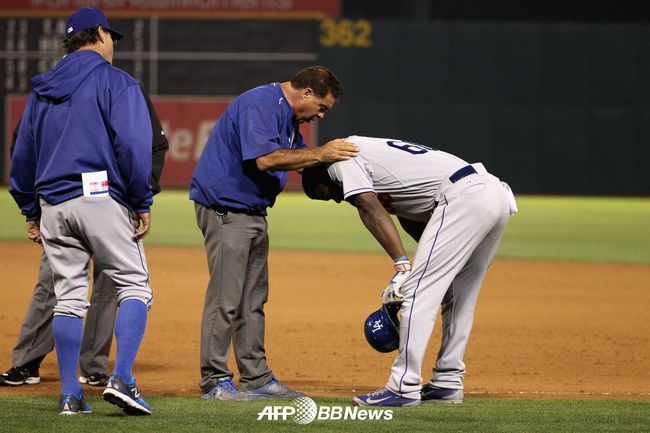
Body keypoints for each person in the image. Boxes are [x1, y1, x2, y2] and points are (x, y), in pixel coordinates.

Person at [9, 7, 156, 415]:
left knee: (69, 299)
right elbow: (133, 147)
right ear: (99, 34)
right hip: (100, 197)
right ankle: (122, 380)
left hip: (53, 204)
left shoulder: (42, 89)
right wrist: (141, 201)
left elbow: (22, 155)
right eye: (112, 37)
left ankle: (70, 395)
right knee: (135, 287)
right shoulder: (116, 81)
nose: (114, 45)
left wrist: (30, 209)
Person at [302, 135, 518, 407]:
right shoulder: (378, 165)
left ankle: (403, 387)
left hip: (464, 197)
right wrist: (427, 264)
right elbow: (410, 217)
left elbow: (368, 206)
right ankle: (447, 382)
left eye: (328, 194)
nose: (336, 199)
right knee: (458, 295)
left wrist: (403, 265)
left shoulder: (339, 160)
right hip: (491, 194)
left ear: (324, 176)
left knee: (417, 291)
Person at [190, 66, 359, 401]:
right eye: (321, 107)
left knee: (252, 299)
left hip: (253, 212)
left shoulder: (288, 117)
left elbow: (298, 161)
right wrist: (320, 152)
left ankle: (256, 378)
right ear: (306, 93)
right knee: (226, 298)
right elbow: (266, 159)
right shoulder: (262, 104)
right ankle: (214, 381)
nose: (320, 115)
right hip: (227, 211)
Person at [1, 85, 168, 389]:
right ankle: (28, 361)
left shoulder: (119, 87)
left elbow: (153, 146)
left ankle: (92, 366)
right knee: (54, 283)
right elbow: (23, 142)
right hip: (66, 198)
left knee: (105, 286)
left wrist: (140, 195)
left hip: (110, 201)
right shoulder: (54, 89)